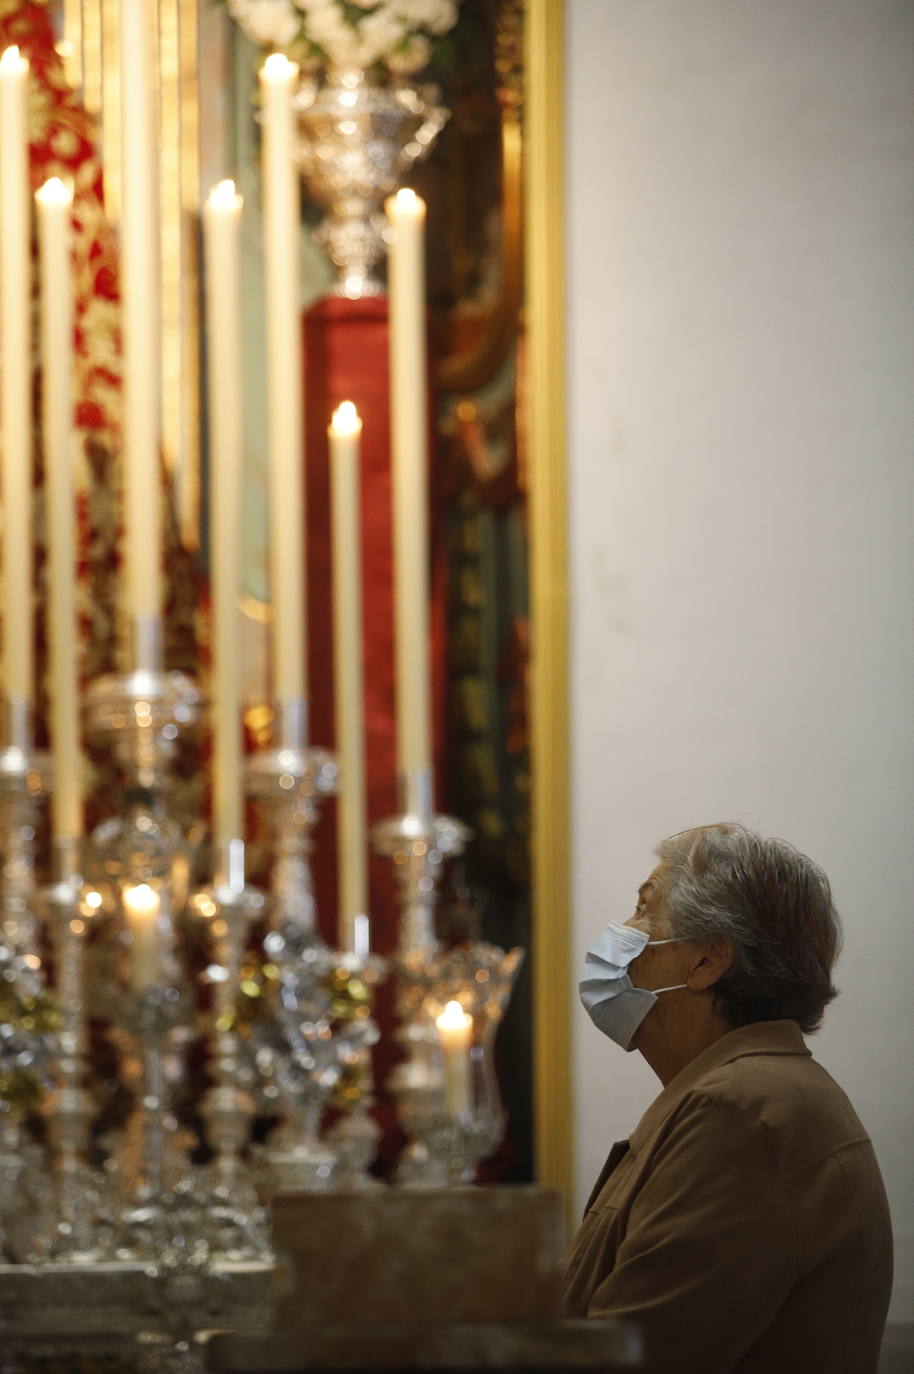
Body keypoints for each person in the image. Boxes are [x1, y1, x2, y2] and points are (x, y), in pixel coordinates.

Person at [562, 822, 893, 1373]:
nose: (621, 932)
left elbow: (621, 1357)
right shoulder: (748, 1094)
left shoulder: (739, 1113)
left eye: (645, 911)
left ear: (708, 961)